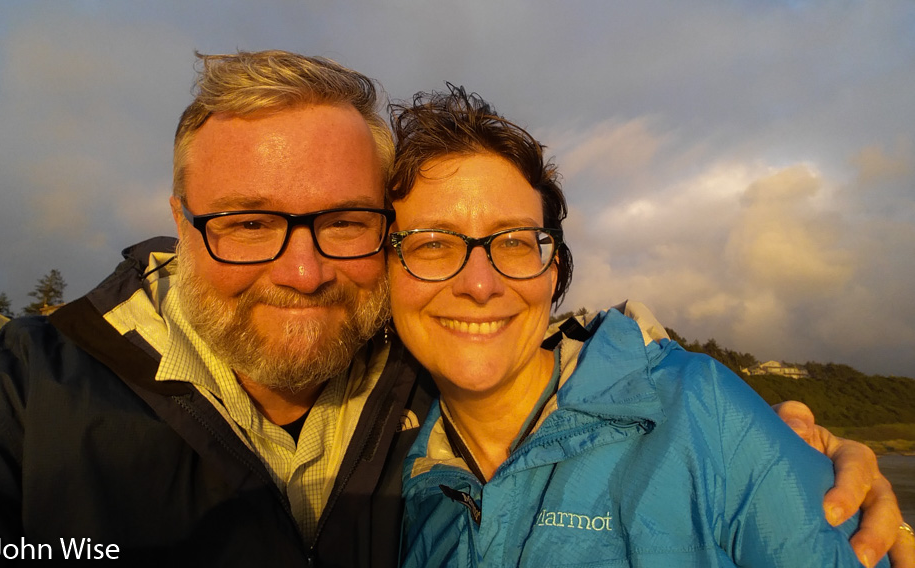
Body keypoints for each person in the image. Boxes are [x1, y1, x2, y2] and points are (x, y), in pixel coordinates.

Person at [0, 51, 907, 567]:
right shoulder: (12, 404)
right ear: (181, 218)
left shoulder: (422, 382)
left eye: (341, 222)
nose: (299, 270)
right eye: (249, 222)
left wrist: (793, 450)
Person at [386, 86, 914, 566]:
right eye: (433, 244)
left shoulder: (702, 416)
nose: (480, 285)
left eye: (515, 243)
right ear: (382, 274)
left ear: (554, 273)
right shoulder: (401, 475)